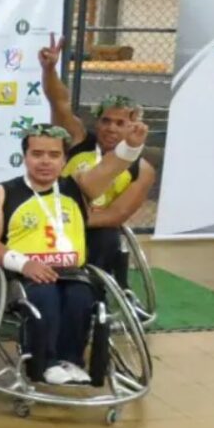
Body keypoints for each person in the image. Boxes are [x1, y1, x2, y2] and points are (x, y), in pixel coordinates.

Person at [0, 121, 148, 385]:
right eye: (37, 154)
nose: (45, 161)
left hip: (74, 272)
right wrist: (24, 264)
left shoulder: (78, 188)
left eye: (54, 155)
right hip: (26, 275)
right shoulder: (2, 192)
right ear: (25, 157)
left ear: (64, 159)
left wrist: (132, 145)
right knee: (44, 297)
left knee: (82, 298)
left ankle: (71, 361)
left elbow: (109, 167)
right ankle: (45, 363)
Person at [39, 34, 155, 289]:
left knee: (107, 237)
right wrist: (49, 70)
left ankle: (94, 296)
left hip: (94, 226)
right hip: (50, 216)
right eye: (106, 120)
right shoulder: (79, 139)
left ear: (133, 126)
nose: (111, 128)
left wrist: (73, 218)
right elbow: (59, 102)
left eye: (120, 123)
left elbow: (117, 214)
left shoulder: (143, 169)